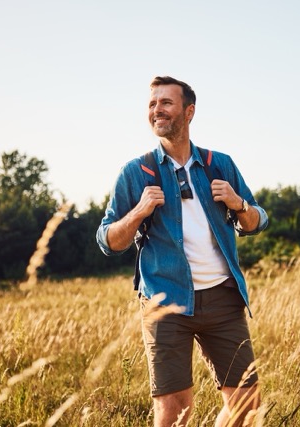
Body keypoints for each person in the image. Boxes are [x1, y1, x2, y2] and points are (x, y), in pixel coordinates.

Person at [96, 76, 268, 427]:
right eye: (152, 104)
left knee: (247, 405)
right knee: (174, 410)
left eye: (166, 103)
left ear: (188, 112)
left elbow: (256, 221)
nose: (157, 110)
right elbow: (108, 240)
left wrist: (238, 204)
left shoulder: (219, 164)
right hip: (165, 300)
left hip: (222, 297)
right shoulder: (136, 172)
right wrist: (139, 212)